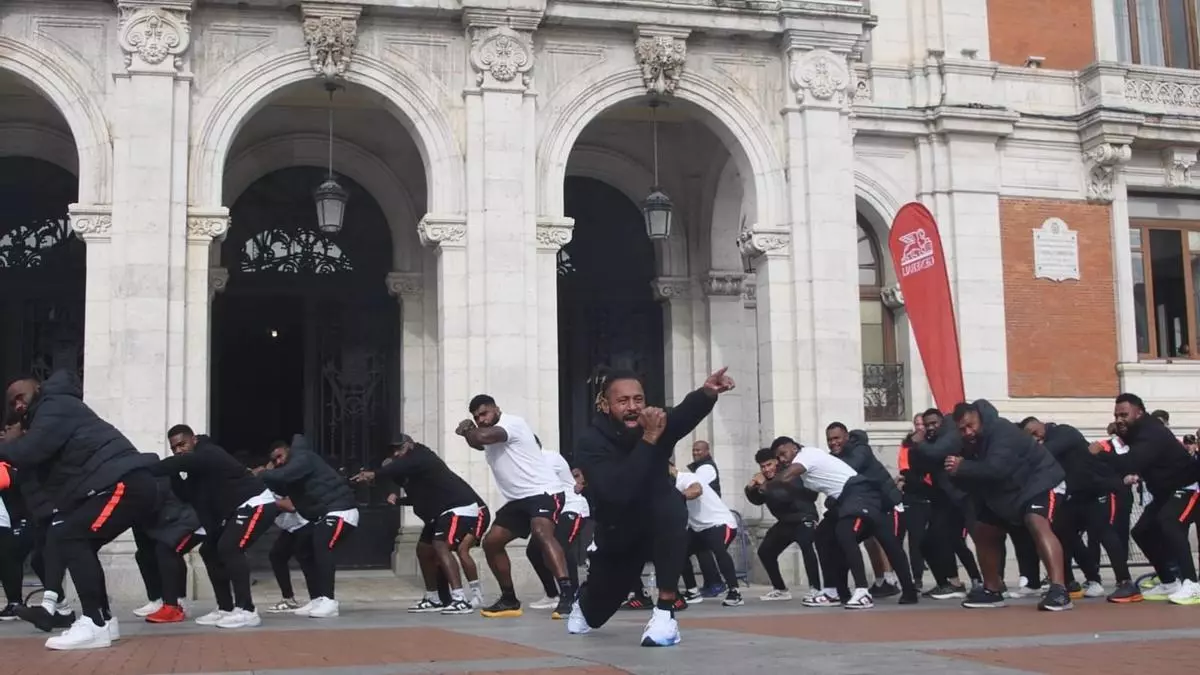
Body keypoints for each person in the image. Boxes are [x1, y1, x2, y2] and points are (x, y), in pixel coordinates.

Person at [568, 367, 732, 647]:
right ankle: (583, 604)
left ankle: (666, 613)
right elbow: (617, 492)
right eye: (623, 401)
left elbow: (682, 414)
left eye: (638, 399)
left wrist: (707, 393)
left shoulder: (655, 423)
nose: (632, 408)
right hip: (618, 532)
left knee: (671, 503)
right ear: (606, 405)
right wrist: (649, 440)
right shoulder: (590, 442)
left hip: (658, 522)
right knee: (595, 613)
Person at [1, 372, 159, 650]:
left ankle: (94, 622)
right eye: (12, 403)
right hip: (117, 484)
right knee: (74, 539)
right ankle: (104, 621)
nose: (18, 404)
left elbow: (28, 451)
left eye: (20, 396)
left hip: (123, 482)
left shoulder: (55, 405)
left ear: (37, 388)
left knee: (73, 537)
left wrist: (9, 446)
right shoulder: (51, 412)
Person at [945, 400, 1070, 611]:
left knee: (1036, 521)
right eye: (962, 429)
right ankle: (993, 589)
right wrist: (956, 471)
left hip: (1040, 481)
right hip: (1004, 493)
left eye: (970, 425)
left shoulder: (1002, 430)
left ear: (981, 419)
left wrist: (963, 466)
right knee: (983, 529)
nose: (967, 432)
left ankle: (1059, 591)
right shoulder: (966, 443)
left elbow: (996, 468)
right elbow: (964, 476)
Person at [456, 395, 572, 619]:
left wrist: (468, 428)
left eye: (484, 413)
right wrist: (469, 433)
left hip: (544, 492)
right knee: (491, 543)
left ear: (496, 409)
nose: (481, 419)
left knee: (541, 533)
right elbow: (477, 441)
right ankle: (509, 598)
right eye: (476, 417)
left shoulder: (511, 424)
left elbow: (482, 436)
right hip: (518, 500)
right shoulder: (485, 434)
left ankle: (567, 594)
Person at [154, 425, 278, 629]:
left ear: (194, 439)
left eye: (182, 444)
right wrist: (175, 474)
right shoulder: (194, 469)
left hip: (256, 503)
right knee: (209, 550)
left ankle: (247, 610)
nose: (178, 450)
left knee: (230, 547)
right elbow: (188, 496)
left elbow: (183, 461)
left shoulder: (208, 452)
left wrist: (146, 467)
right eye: (174, 448)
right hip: (234, 511)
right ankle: (226, 608)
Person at [772, 436, 918, 609]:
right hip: (847, 499)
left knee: (847, 533)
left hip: (859, 493)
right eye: (778, 457)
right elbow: (806, 492)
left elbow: (784, 478)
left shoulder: (806, 455)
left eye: (783, 453)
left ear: (794, 448)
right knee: (823, 535)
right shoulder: (806, 468)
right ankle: (834, 591)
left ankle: (863, 593)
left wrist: (766, 483)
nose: (782, 459)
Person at [1088, 393, 1200, 605]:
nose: (1119, 419)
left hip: (1188, 487)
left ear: (1139, 413)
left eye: (1124, 414)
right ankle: (1169, 581)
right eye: (1116, 415)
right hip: (1165, 492)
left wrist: (1100, 452)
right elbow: (1126, 444)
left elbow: (1131, 462)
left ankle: (1192, 584)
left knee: (1170, 522)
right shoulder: (1136, 430)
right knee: (1141, 532)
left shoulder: (1152, 432)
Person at [352, 435, 480, 615]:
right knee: (423, 550)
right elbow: (416, 497)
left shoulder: (423, 455)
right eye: (393, 451)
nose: (396, 453)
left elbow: (402, 465)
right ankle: (433, 597)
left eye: (399, 449)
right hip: (440, 512)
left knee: (440, 545)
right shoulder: (413, 475)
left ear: (409, 445)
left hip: (459, 507)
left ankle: (460, 599)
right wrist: (398, 500)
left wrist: (374, 473)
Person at [1020, 417, 1139, 603]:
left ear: (1038, 427)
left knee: (1103, 533)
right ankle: (1079, 580)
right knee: (1063, 534)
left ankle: (1125, 581)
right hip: (1073, 494)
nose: (1035, 439)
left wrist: (1026, 450)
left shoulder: (1064, 432)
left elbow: (1047, 452)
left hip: (1095, 489)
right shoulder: (1045, 442)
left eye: (1033, 434)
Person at [259, 435, 359, 619]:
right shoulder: (291, 470)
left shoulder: (303, 458)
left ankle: (329, 601)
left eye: (280, 456)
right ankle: (317, 599)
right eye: (274, 460)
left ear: (288, 450)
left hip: (342, 510)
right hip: (327, 513)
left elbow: (284, 476)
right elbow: (281, 487)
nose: (278, 462)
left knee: (322, 545)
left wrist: (262, 473)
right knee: (304, 550)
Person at [745, 447, 820, 602]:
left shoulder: (788, 473)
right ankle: (780, 589)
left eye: (769, 465)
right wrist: (751, 488)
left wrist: (764, 485)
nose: (766, 469)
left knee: (807, 548)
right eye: (763, 467)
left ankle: (816, 589)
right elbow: (757, 500)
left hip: (803, 518)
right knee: (765, 551)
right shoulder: (768, 481)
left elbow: (783, 497)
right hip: (785, 522)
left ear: (777, 462)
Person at [131, 469, 205, 624]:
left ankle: (176, 603)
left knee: (167, 550)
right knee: (144, 554)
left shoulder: (156, 481)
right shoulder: (139, 484)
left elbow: (156, 507)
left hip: (189, 520)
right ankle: (158, 601)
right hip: (170, 523)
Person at [528, 438, 590, 610]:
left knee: (560, 547)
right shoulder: (527, 463)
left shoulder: (548, 458)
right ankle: (552, 595)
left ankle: (573, 594)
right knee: (533, 550)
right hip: (553, 512)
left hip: (572, 508)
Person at [672, 461, 743, 607]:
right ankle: (692, 591)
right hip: (698, 528)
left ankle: (734, 592)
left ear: (673, 468)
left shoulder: (686, 478)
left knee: (719, 550)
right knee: (680, 551)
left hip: (720, 523)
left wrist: (677, 497)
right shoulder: (666, 486)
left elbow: (696, 490)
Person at [682, 440, 722, 598]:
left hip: (707, 518)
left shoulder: (706, 468)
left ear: (707, 451)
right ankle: (712, 583)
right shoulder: (701, 468)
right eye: (694, 450)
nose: (695, 452)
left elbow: (695, 486)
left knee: (692, 551)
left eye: (699, 450)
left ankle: (708, 585)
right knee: (700, 550)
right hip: (700, 519)